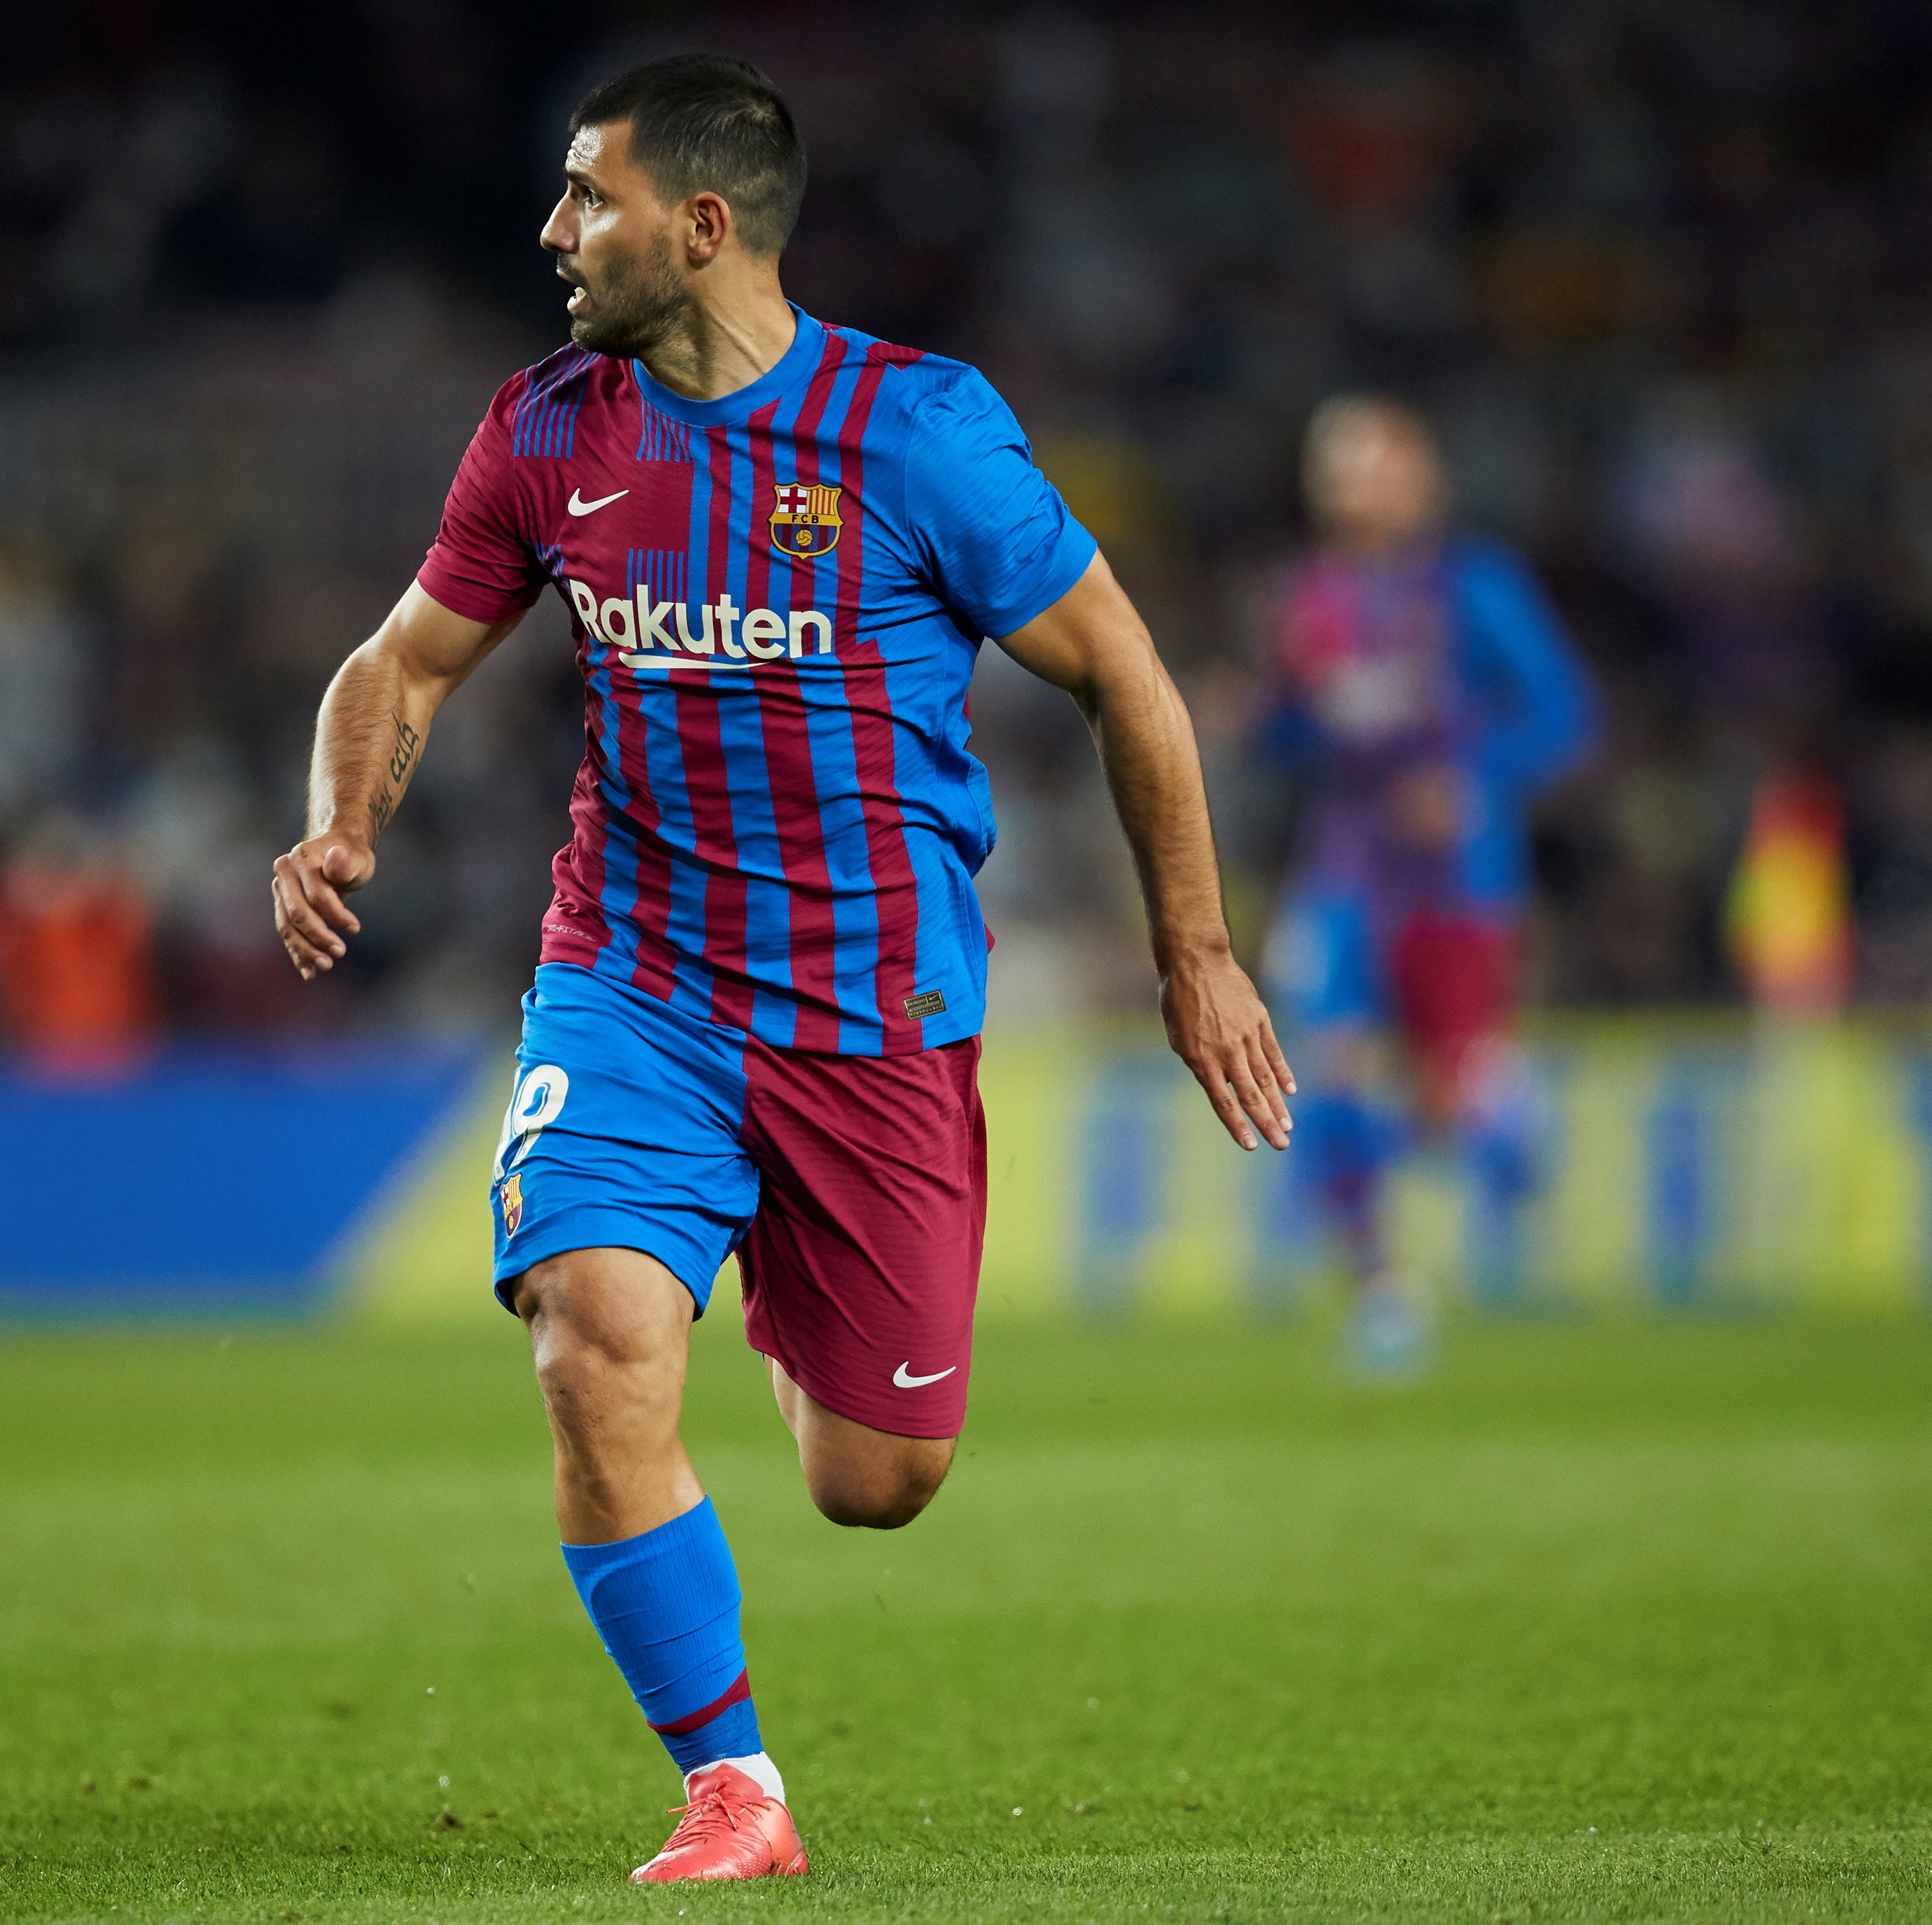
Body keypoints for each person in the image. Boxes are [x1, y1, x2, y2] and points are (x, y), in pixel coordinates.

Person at [269, 55, 1291, 1883]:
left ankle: (763, 1268)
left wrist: (1196, 956)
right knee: (592, 1339)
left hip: (871, 1019)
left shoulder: (917, 435)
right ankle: (732, 1785)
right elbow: (402, 664)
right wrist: (344, 820)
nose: (553, 231)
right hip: (633, 982)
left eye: (589, 197)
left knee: (871, 1480)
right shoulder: (546, 429)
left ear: (704, 224)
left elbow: (1130, 675)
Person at [1257, 396, 1596, 1365]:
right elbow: (1302, 729)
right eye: (1333, 464)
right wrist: (1259, 719)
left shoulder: (1475, 586)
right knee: (1322, 1075)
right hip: (1348, 870)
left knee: (1442, 1105)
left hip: (1456, 878)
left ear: (1419, 476)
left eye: (1369, 462)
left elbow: (1568, 715)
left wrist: (1472, 779)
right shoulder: (1309, 594)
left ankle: (1498, 1105)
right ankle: (1384, 1294)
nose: (1348, 482)